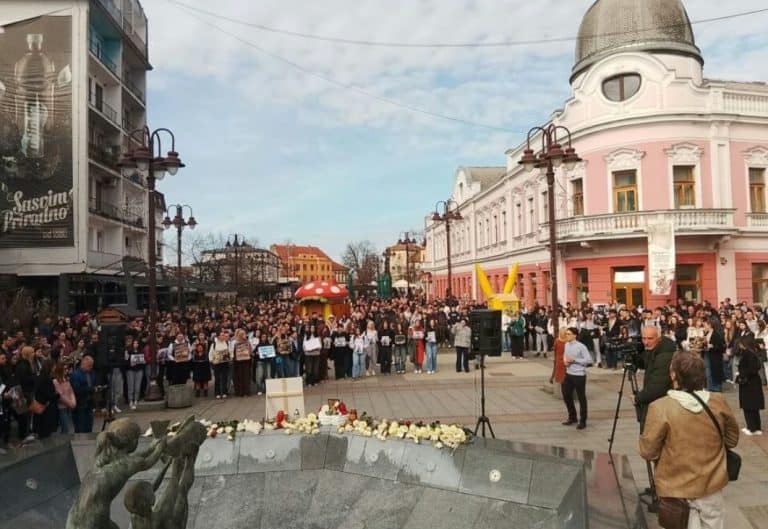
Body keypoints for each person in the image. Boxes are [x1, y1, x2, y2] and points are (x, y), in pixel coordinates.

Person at [640, 351, 739, 529]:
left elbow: (648, 451)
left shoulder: (660, 407)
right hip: (711, 484)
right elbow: (732, 440)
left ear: (673, 375)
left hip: (675, 487)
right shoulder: (718, 401)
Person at [634, 326, 677, 428]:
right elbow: (644, 363)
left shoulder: (664, 356)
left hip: (661, 405)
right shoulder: (653, 350)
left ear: (659, 338)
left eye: (650, 338)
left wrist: (637, 398)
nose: (646, 342)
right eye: (644, 338)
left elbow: (657, 388)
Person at [561, 327, 592, 429]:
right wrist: (565, 361)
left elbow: (588, 360)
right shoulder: (566, 345)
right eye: (566, 334)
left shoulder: (581, 346)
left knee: (581, 397)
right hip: (569, 373)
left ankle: (583, 420)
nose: (567, 336)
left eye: (569, 334)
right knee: (566, 395)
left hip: (579, 375)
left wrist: (575, 360)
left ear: (575, 335)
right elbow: (565, 356)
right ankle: (572, 416)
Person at [735, 337, 764, 435]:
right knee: (754, 407)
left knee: (748, 406)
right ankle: (757, 428)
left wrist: (740, 374)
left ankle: (751, 428)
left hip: (748, 383)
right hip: (754, 382)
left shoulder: (747, 354)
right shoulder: (753, 352)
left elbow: (750, 369)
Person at [70, 355, 96, 433]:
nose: (91, 367)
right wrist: (90, 389)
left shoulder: (92, 373)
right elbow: (77, 389)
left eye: (91, 366)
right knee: (80, 427)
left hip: (89, 403)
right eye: (89, 366)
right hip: (80, 404)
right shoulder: (76, 375)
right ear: (83, 364)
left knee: (89, 426)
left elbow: (93, 383)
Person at [53, 361, 76, 433]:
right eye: (65, 369)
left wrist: (73, 402)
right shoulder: (55, 382)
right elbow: (60, 395)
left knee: (67, 429)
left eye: (67, 369)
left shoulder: (66, 380)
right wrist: (70, 403)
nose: (67, 371)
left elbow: (71, 392)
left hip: (68, 408)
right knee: (65, 428)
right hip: (61, 408)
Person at [208, 331, 231, 400]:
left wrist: (230, 357)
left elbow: (230, 351)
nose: (223, 336)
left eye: (224, 335)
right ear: (218, 336)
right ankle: (217, 393)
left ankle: (224, 392)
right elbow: (210, 354)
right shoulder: (214, 344)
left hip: (224, 363)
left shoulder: (227, 343)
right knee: (217, 378)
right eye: (222, 335)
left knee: (225, 378)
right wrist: (212, 361)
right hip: (217, 363)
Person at [231, 329, 252, 397]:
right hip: (238, 362)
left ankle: (246, 391)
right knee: (239, 377)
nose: (244, 335)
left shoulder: (247, 342)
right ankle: (240, 392)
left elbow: (250, 350)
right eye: (242, 334)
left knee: (246, 377)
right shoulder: (234, 342)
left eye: (244, 334)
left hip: (246, 361)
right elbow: (232, 351)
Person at [125, 338, 145, 409]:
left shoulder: (141, 351)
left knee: (137, 386)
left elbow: (143, 361)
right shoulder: (128, 351)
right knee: (131, 386)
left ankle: (136, 399)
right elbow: (126, 361)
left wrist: (142, 362)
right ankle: (130, 400)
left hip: (139, 370)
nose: (135, 345)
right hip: (130, 370)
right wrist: (130, 364)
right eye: (134, 343)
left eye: (137, 343)